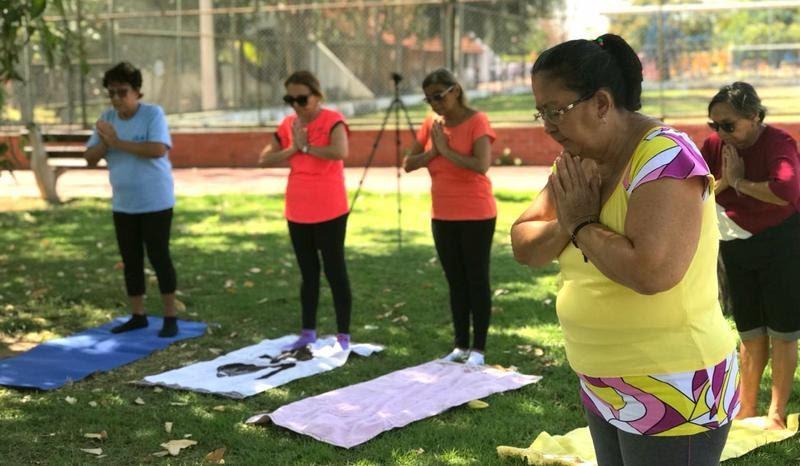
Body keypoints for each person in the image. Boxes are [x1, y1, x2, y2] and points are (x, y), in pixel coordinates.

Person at [511, 34, 739, 464]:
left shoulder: (665, 158)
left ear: (600, 103)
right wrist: (568, 220)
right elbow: (525, 245)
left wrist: (581, 223)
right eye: (540, 111)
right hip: (603, 383)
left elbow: (650, 272)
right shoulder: (579, 160)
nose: (546, 125)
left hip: (674, 385)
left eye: (555, 110)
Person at [701, 82, 800, 430]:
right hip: (736, 245)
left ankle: (775, 410)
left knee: (783, 331)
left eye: (729, 125)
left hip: (781, 243)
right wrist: (729, 182)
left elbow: (787, 191)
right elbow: (697, 190)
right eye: (714, 125)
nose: (720, 133)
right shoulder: (715, 145)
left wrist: (740, 183)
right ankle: (746, 407)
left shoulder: (779, 144)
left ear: (754, 116)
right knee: (750, 330)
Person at [404, 68, 497, 366]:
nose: (434, 104)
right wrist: (433, 154)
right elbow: (408, 163)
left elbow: (481, 165)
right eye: (428, 99)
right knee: (455, 281)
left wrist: (444, 149)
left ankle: (479, 350)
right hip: (442, 214)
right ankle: (460, 345)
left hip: (476, 213)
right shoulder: (431, 124)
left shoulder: (477, 120)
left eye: (439, 97)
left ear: (455, 90)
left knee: (476, 279)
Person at [83, 62, 179, 337]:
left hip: (156, 202)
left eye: (122, 92)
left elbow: (158, 149)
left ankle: (170, 316)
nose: (116, 99)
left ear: (137, 91)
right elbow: (90, 158)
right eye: (111, 93)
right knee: (131, 259)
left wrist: (116, 143)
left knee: (159, 256)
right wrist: (104, 142)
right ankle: (138, 315)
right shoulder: (106, 120)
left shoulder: (152, 115)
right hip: (124, 204)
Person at [258, 71, 352, 351]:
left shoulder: (333, 120)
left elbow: (339, 152)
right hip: (298, 210)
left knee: (335, 271)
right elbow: (264, 159)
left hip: (330, 208)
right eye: (290, 99)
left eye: (302, 99)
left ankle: (343, 334)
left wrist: (307, 147)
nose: (297, 105)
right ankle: (308, 331)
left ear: (317, 96)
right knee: (308, 273)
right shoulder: (288, 124)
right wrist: (292, 149)